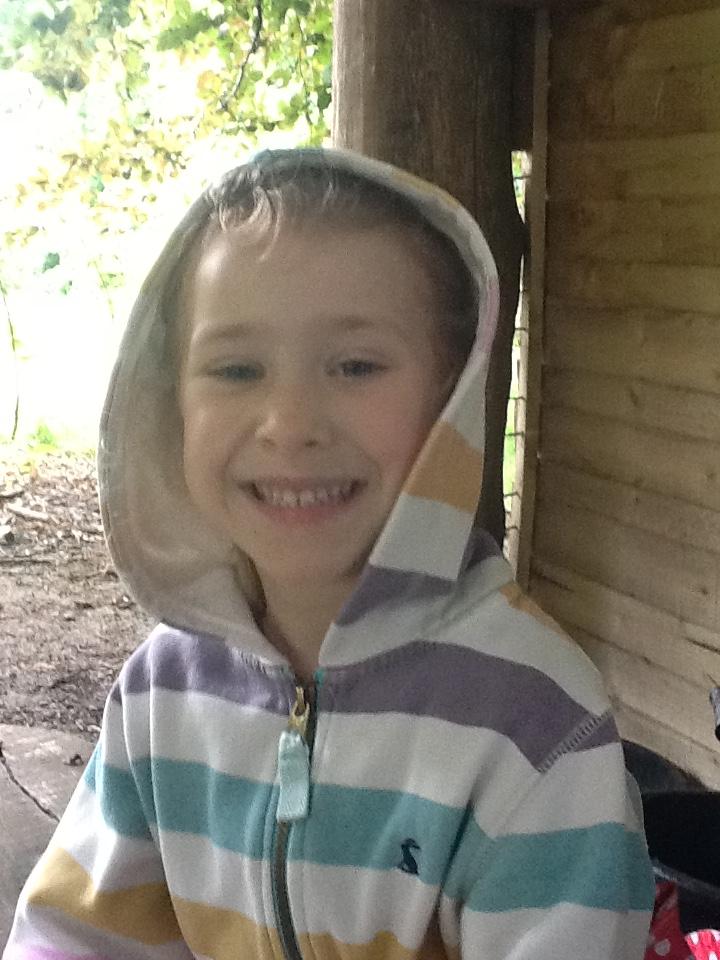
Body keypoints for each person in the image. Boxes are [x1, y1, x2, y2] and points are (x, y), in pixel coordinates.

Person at [3, 148, 654, 960]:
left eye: (354, 366)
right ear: (172, 404)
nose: (290, 424)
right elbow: (75, 937)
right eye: (236, 369)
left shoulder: (532, 720)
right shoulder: (163, 691)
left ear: (452, 395)